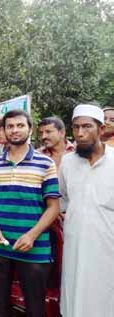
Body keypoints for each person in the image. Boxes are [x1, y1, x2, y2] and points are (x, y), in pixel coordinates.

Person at [0, 110, 60, 317]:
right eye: (10, 126)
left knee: (35, 307)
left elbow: (54, 206)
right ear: (4, 131)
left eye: (20, 125)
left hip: (34, 248)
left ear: (30, 129)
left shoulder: (45, 163)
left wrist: (32, 235)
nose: (14, 130)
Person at [59, 104, 114, 317]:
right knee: (74, 297)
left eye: (87, 127)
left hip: (107, 248)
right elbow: (63, 199)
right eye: (76, 127)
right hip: (75, 246)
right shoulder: (67, 162)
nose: (80, 134)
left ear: (101, 129)